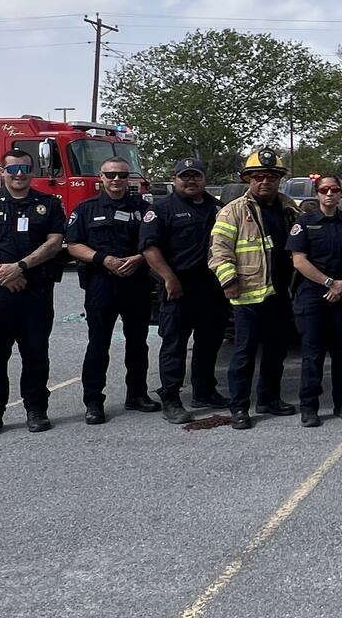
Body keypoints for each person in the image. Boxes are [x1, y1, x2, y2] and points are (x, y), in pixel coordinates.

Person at [0, 148, 67, 439]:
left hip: (34, 288)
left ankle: (36, 410)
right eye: (13, 169)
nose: (19, 175)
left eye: (25, 169)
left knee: (35, 351)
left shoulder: (48, 204)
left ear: (33, 172)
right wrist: (0, 273)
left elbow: (55, 242)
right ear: (1, 171)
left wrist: (19, 268)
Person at [209, 147, 301, 431]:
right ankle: (239, 407)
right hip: (247, 295)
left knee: (276, 351)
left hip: (280, 293)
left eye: (272, 177)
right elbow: (219, 251)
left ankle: (268, 399)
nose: (265, 182)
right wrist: (229, 281)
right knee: (244, 354)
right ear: (248, 179)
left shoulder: (290, 209)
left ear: (279, 180)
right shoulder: (233, 211)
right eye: (258, 176)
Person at [65, 156, 159, 424]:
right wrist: (102, 259)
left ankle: (137, 394)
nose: (116, 180)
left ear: (128, 178)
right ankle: (94, 401)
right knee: (98, 344)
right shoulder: (85, 209)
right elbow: (73, 244)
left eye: (121, 175)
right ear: (101, 177)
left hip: (136, 282)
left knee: (138, 343)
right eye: (110, 175)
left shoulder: (144, 209)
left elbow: (156, 241)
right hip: (101, 284)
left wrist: (139, 259)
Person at [141, 158, 230, 424]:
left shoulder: (218, 208)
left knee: (210, 342)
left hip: (213, 286)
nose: (191, 181)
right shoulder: (161, 209)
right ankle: (171, 398)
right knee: (175, 345)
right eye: (185, 176)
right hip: (179, 286)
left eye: (196, 176)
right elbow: (149, 248)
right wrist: (169, 278)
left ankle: (204, 391)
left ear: (204, 179)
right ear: (174, 179)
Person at [286, 174, 342, 427]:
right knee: (313, 354)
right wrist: (329, 283)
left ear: (341, 193)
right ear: (317, 193)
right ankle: (309, 407)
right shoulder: (304, 223)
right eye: (324, 190)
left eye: (335, 189)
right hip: (313, 296)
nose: (329, 194)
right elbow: (299, 260)